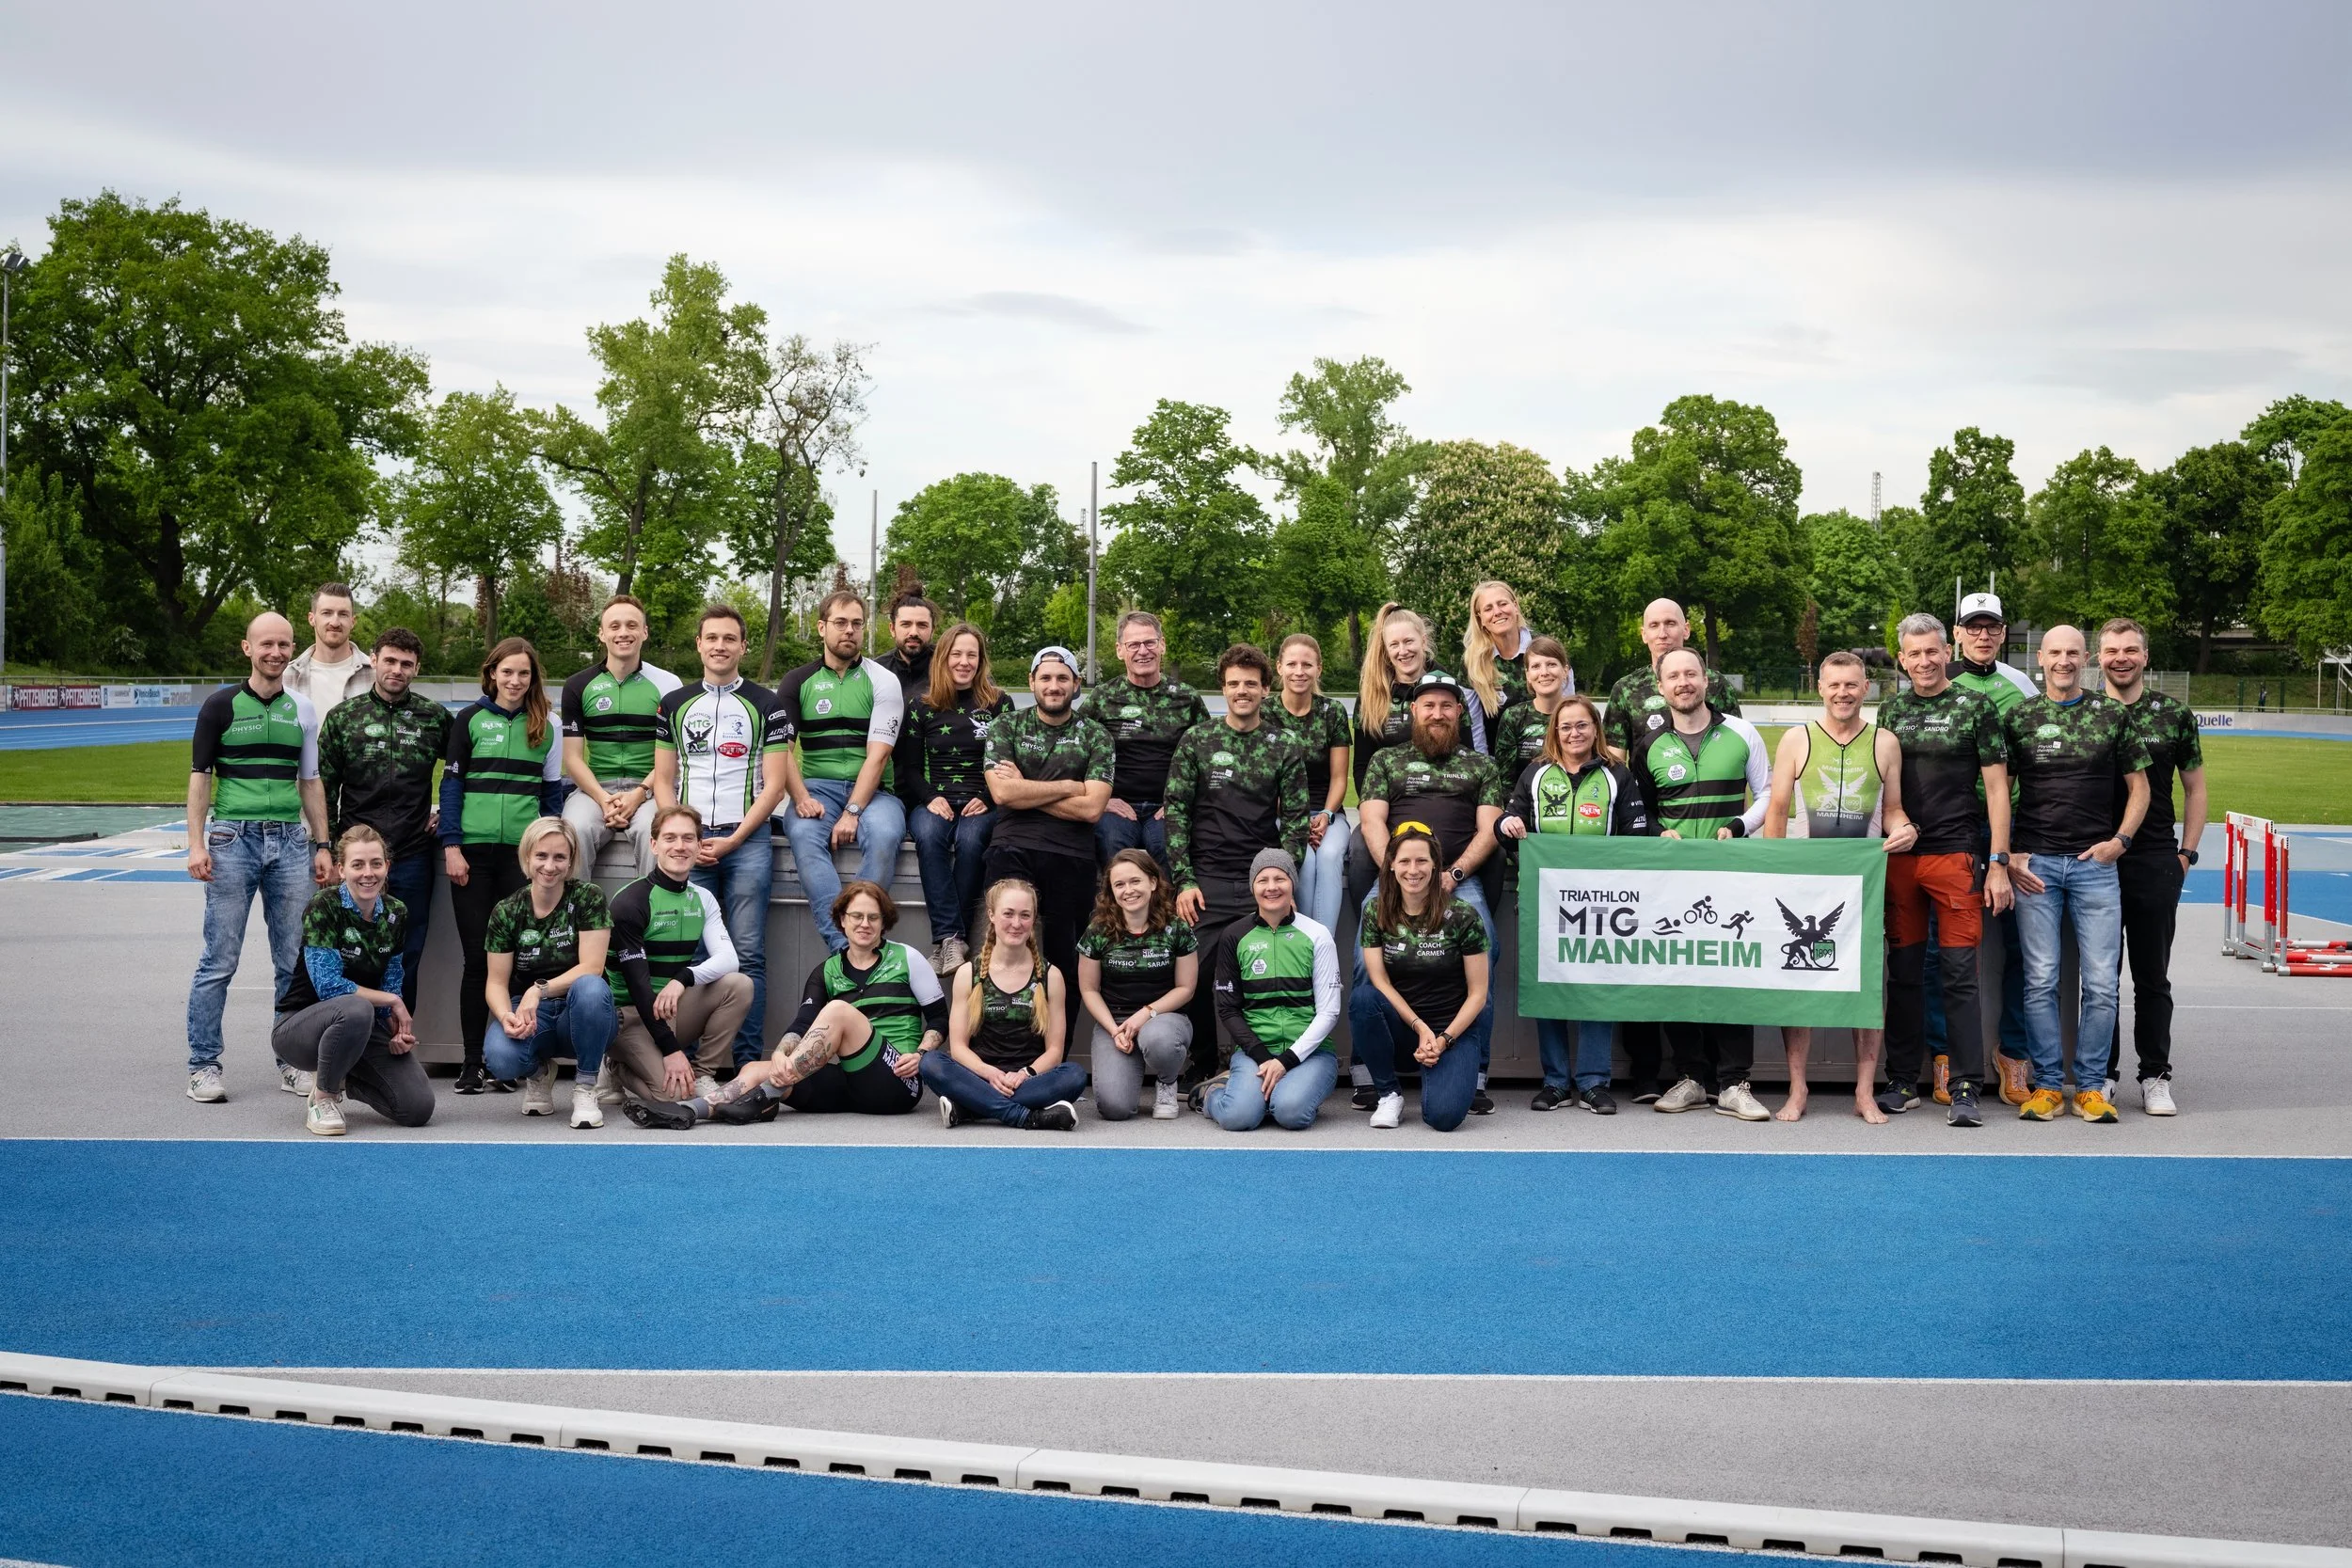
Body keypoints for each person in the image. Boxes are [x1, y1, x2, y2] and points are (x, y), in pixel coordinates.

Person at [633, 880, 947, 1128]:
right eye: (856, 916)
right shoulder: (825, 971)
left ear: (883, 923)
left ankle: (765, 1097)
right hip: (851, 1083)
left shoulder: (908, 957)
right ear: (842, 920)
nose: (864, 923)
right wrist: (783, 1054)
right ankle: (688, 1111)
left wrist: (920, 1055)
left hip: (896, 1080)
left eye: (873, 917)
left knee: (839, 1012)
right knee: (758, 1068)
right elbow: (801, 1024)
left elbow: (938, 1020)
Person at [184, 610, 334, 1104]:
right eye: (266, 644)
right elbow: (201, 777)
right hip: (232, 840)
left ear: (293, 649)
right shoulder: (220, 706)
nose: (276, 652)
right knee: (219, 960)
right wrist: (197, 843)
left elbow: (310, 781)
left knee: (292, 963)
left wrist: (322, 843)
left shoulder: (303, 709)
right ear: (247, 648)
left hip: (290, 841)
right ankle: (204, 1065)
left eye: (284, 644)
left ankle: (291, 1063)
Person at [1762, 651, 1916, 1123]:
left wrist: (1904, 826)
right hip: (1806, 883)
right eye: (1834, 685)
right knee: (1798, 985)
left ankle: (1865, 1091)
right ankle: (1797, 1087)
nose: (1843, 693)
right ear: (1821, 688)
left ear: (1866, 688)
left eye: (1852, 685)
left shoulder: (1885, 743)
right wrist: (1773, 871)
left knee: (1866, 989)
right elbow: (1778, 810)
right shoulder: (1796, 739)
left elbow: (1892, 810)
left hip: (1863, 885)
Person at [2004, 625, 2150, 1124]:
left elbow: (2141, 788)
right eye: (2054, 653)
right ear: (2039, 659)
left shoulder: (2111, 714)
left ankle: (2089, 1087)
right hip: (2036, 868)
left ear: (2084, 658)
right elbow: (1997, 793)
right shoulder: (2019, 717)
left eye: (2072, 653)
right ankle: (2047, 1085)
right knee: (2041, 979)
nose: (2063, 661)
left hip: (2095, 867)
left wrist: (2120, 842)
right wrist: (2009, 854)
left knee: (2103, 983)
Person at [1876, 613, 2013, 1132]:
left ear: (1945, 651)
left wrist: (1998, 861)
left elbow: (1997, 790)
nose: (1925, 661)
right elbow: (1884, 788)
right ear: (1902, 657)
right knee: (1905, 972)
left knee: (1959, 975)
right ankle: (1902, 1081)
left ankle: (1964, 1086)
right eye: (1914, 654)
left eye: (1932, 651)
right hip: (1902, 859)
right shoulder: (1890, 710)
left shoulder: (1975, 705)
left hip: (1957, 856)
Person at [1629, 648, 1772, 1120]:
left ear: (1706, 680)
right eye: (1674, 676)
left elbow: (1769, 795)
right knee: (1677, 972)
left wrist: (1740, 825)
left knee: (1731, 972)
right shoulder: (1648, 744)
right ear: (1661, 685)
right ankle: (1691, 1077)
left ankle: (1734, 1083)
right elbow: (1641, 810)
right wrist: (1656, 832)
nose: (1683, 683)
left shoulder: (1741, 732)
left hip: (1730, 876)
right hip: (1671, 881)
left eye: (1691, 673)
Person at [1355, 672, 1505, 1113]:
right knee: (1365, 964)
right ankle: (1368, 1074)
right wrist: (1396, 875)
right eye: (1428, 706)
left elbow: (1489, 829)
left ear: (1459, 713)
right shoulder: (1386, 761)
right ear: (1413, 712)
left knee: (1486, 952)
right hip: (1396, 879)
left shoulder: (1482, 766)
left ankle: (1474, 1074)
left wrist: (1453, 874)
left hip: (1459, 880)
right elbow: (1371, 822)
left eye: (1446, 706)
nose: (1437, 713)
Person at [653, 604, 793, 1069]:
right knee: (693, 952)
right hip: (691, 842)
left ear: (743, 646)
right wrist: (680, 836)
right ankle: (689, 1061)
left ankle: (748, 1061)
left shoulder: (767, 703)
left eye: (729, 639)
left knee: (748, 953)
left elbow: (775, 786)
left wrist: (734, 839)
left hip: (746, 840)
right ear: (698, 644)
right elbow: (662, 777)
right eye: (711, 638)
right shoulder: (673, 703)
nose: (720, 646)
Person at [1164, 643, 1311, 1077]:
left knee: (1263, 979)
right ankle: (1204, 1064)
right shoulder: (1198, 740)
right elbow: (1174, 812)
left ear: (1267, 689)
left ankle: (1262, 1063)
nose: (1241, 691)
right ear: (1222, 689)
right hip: (1203, 882)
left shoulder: (1284, 744)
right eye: (1233, 684)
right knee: (1194, 980)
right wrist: (1184, 880)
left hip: (1257, 883)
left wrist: (1279, 885)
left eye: (1251, 683)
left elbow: (1297, 824)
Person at [1497, 693, 1647, 1113]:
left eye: (1582, 725)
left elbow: (1635, 836)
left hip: (1604, 904)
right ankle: (1556, 1081)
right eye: (1565, 727)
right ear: (1555, 732)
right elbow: (1508, 829)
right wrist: (1506, 825)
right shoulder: (1536, 773)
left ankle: (1595, 1082)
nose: (1574, 733)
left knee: (1596, 990)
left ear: (1595, 729)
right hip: (1544, 902)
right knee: (1550, 989)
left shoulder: (1618, 773)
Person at [440, 636, 567, 1094]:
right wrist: (451, 845)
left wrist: (549, 855)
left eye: (524, 673)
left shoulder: (547, 726)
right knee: (479, 961)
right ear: (492, 672)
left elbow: (552, 798)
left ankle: (509, 1059)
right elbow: (451, 787)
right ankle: (473, 1062)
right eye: (507, 671)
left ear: (534, 679)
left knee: (519, 963)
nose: (515, 681)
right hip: (472, 856)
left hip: (522, 859)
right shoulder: (469, 720)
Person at [980, 646, 1114, 1053]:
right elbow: (1002, 792)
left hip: (1071, 856)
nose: (1053, 686)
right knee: (1002, 950)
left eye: (1062, 678)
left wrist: (1028, 789)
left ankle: (1055, 1053)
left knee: (1063, 961)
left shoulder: (1096, 735)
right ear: (1032, 682)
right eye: (1045, 678)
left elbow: (1093, 809)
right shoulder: (1007, 727)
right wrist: (1069, 785)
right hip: (1011, 849)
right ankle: (994, 1050)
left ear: (1076, 685)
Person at [2100, 618, 2203, 1117]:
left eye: (2130, 650)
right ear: (2099, 657)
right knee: (2099, 977)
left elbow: (2195, 788)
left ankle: (2155, 1074)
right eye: (2112, 650)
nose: (2121, 657)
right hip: (2093, 859)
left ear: (2145, 655)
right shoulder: (2086, 712)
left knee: (2150, 977)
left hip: (2156, 858)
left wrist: (2187, 853)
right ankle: (2102, 1072)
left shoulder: (2173, 714)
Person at [269, 825, 434, 1134]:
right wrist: (393, 1002)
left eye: (376, 863)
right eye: (358, 865)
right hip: (298, 1029)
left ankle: (346, 1075)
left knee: (417, 1107)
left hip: (360, 1027)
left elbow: (392, 979)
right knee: (355, 1008)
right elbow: (328, 986)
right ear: (341, 870)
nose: (368, 873)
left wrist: (395, 1030)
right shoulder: (324, 906)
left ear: (388, 866)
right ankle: (323, 1097)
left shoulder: (396, 913)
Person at [316, 626, 448, 1012]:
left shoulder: (434, 718)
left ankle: (399, 1039)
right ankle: (350, 1039)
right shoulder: (344, 718)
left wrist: (447, 814)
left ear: (417, 669)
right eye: (390, 660)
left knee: (408, 949)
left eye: (406, 664)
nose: (397, 669)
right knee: (350, 950)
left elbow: (464, 771)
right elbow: (323, 787)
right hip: (357, 856)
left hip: (411, 854)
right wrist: (330, 848)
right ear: (373, 660)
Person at [776, 590, 910, 954]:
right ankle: (843, 944)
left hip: (875, 792)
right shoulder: (796, 681)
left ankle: (859, 931)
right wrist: (801, 798)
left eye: (856, 624)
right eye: (840, 623)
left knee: (884, 835)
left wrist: (852, 811)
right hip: (817, 787)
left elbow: (879, 756)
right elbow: (781, 752)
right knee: (803, 836)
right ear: (821, 628)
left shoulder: (882, 680)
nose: (849, 631)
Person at [1945, 591, 2039, 1100]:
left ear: (2003, 633)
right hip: (1951, 829)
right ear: (1957, 632)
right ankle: (1946, 1055)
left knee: (2020, 948)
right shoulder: (1940, 682)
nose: (1983, 635)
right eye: (1973, 626)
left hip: (2011, 829)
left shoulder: (2021, 685)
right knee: (1947, 948)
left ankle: (2012, 1052)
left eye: (1992, 627)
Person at [611, 806, 756, 1117]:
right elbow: (638, 986)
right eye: (670, 838)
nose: (680, 846)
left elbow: (729, 960)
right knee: (672, 1095)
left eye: (689, 838)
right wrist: (672, 1050)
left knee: (739, 985)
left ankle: (703, 1072)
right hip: (630, 1017)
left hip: (670, 1007)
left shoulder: (702, 898)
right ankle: (615, 1068)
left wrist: (683, 978)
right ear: (653, 845)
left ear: (699, 845)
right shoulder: (630, 902)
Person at [1348, 825, 1491, 1131]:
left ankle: (1442, 1076)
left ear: (1435, 864)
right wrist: (1419, 1027)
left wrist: (1442, 1040)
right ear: (1391, 864)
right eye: (1405, 861)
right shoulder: (1376, 910)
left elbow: (1479, 994)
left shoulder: (1464, 915)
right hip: (1404, 1026)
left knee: (1444, 1118)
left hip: (1452, 1031)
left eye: (1422, 861)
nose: (1413, 870)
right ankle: (1389, 1094)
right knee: (1363, 999)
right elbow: (1379, 980)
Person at [482, 816, 616, 1130]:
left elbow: (593, 968)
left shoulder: (588, 897)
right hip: (533, 1015)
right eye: (541, 856)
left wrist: (537, 989)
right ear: (527, 857)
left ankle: (585, 1087)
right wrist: (506, 1017)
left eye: (560, 857)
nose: (550, 866)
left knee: (591, 988)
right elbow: (496, 983)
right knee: (499, 1058)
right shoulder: (507, 910)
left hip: (581, 1010)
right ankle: (539, 1074)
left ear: (570, 863)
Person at [921, 879, 1086, 1131]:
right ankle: (1027, 1117)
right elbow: (958, 1048)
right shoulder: (969, 973)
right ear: (992, 915)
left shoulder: (1050, 976)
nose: (1017, 924)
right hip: (979, 1076)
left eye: (1025, 915)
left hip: (1029, 1079)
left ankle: (971, 1106)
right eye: (1008, 914)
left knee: (1075, 1075)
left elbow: (1054, 1051)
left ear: (1034, 919)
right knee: (931, 1063)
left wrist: (1025, 1074)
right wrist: (990, 1074)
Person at [897, 620, 1014, 973]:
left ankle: (950, 940)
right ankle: (952, 938)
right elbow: (910, 768)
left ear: (981, 661)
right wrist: (931, 797)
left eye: (972, 655)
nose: (964, 662)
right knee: (930, 836)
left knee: (971, 838)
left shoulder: (998, 704)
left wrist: (988, 797)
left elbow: (1010, 762)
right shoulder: (921, 705)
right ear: (944, 658)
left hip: (984, 797)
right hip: (936, 799)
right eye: (957, 654)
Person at [1201, 849, 1343, 1132]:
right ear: (1252, 886)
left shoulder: (1318, 935)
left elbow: (1329, 1012)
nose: (1271, 887)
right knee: (1237, 1118)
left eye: (1280, 878)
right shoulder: (1234, 935)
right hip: (1255, 1052)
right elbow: (1227, 1008)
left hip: (1310, 1054)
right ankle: (1211, 1094)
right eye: (1262, 880)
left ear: (1292, 884)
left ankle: (1273, 1095)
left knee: (1291, 1113)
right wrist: (1265, 1059)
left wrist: (1287, 1061)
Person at [560, 594, 682, 880]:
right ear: (602, 634)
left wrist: (639, 793)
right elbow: (572, 758)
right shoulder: (577, 685)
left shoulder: (668, 684)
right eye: (614, 626)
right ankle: (578, 920)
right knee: (573, 831)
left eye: (631, 625)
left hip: (651, 788)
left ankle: (650, 918)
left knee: (654, 833)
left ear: (644, 632)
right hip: (595, 790)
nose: (623, 633)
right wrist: (603, 799)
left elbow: (674, 755)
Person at [1078, 849, 1200, 1121]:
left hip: (1164, 1018)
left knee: (1159, 1040)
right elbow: (1089, 989)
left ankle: (1167, 1082)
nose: (1128, 890)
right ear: (1111, 890)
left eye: (1135, 881)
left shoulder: (1176, 928)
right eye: (1119, 884)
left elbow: (1186, 988)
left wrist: (1145, 1013)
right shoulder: (1098, 930)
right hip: (1116, 1022)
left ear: (1153, 882)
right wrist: (1113, 1029)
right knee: (1114, 1109)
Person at [1084, 610, 1208, 870]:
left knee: (1170, 848)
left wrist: (1181, 801)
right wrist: (1101, 799)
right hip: (1116, 806)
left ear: (1162, 645)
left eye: (1150, 642)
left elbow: (1206, 757)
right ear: (1120, 650)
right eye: (1134, 645)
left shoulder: (1187, 698)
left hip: (1167, 806)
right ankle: (1116, 912)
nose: (1143, 651)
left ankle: (1169, 911)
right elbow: (1074, 751)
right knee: (1112, 849)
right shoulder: (1102, 698)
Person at [1263, 633, 1353, 938]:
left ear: (1319, 669)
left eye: (1307, 664)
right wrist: (1297, 819)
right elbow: (1264, 780)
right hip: (1283, 813)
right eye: (1292, 664)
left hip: (1328, 815)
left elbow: (1340, 778)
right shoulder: (1266, 713)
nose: (1299, 671)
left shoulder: (1333, 712)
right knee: (1305, 861)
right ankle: (1300, 944)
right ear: (1279, 667)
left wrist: (1326, 816)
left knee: (1328, 857)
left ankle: (1322, 948)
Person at [1602, 598, 1743, 761]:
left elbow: (1737, 745)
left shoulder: (1715, 684)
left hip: (1708, 783)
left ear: (1686, 630)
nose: (1662, 634)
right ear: (1644, 634)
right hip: (1648, 786)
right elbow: (1614, 761)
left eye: (1670, 623)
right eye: (1654, 625)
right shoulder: (1626, 689)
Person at [1463, 579, 1565, 742]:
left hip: (1550, 751)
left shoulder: (1546, 649)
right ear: (1480, 618)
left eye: (1502, 604)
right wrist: (1485, 765)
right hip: (1497, 757)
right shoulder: (1472, 662)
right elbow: (1474, 728)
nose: (1497, 612)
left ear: (1515, 607)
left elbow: (1568, 709)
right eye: (1488, 608)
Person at [283, 582, 375, 715]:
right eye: (327, 613)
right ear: (312, 619)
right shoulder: (287, 676)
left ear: (352, 621)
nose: (335, 622)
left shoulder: (375, 674)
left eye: (343, 614)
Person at [1489, 636, 1572, 776]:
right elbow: (1505, 781)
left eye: (1551, 664)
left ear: (1565, 671)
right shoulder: (1514, 717)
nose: (1544, 672)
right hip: (1524, 797)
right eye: (1536, 666)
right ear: (1527, 675)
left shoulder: (1582, 714)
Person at [875, 593, 938, 705]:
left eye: (922, 625)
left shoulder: (948, 666)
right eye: (906, 624)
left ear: (932, 630)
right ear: (892, 629)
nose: (913, 632)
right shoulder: (876, 671)